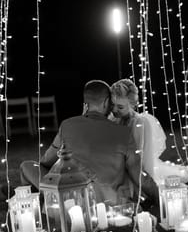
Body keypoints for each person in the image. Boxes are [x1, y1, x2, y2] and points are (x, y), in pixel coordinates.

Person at [19, 80, 158, 205]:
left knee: (27, 166)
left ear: (85, 104)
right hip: (110, 201)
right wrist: (159, 198)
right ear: (106, 103)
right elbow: (140, 176)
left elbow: (46, 162)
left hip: (70, 200)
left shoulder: (67, 125)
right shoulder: (124, 133)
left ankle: (34, 202)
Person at [110, 78, 188, 186]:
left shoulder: (140, 123)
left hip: (136, 171)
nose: (114, 110)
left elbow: (143, 162)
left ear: (132, 105)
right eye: (112, 105)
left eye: (120, 107)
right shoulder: (112, 119)